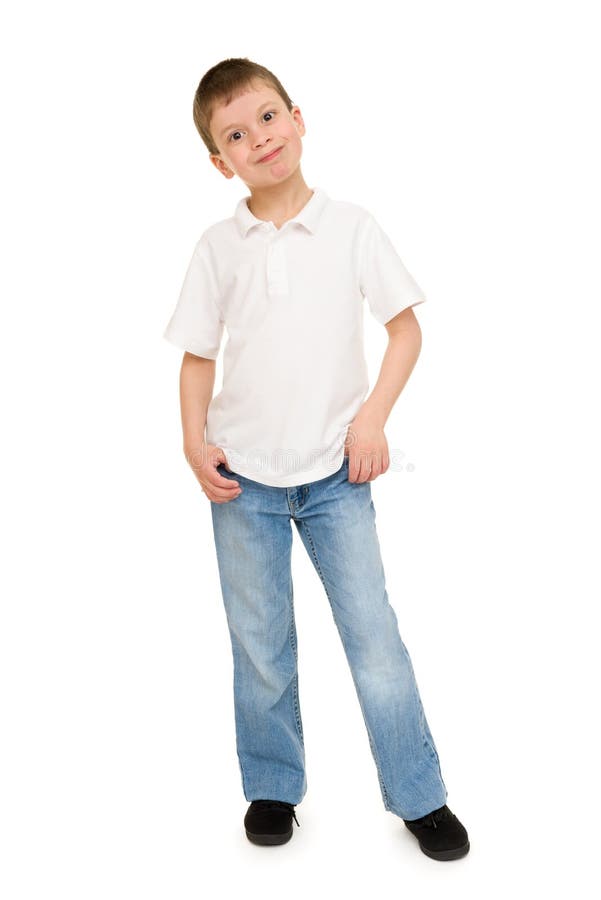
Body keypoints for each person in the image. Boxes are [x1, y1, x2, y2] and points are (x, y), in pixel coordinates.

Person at [163, 57, 470, 861]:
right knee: (260, 643)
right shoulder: (216, 246)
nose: (258, 139)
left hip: (336, 477)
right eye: (235, 134)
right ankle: (273, 785)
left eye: (267, 118)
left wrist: (372, 420)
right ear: (217, 160)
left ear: (297, 118)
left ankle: (418, 793)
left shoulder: (352, 227)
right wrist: (193, 441)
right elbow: (197, 356)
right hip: (242, 482)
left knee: (374, 638)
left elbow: (404, 328)